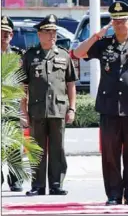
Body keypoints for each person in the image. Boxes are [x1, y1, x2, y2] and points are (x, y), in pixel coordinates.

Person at [73, 1, 128, 205]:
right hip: (109, 108)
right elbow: (78, 53)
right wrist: (97, 35)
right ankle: (113, 193)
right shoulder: (104, 44)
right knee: (110, 154)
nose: (119, 24)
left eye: (123, 20)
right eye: (115, 21)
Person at [20, 14, 78, 196]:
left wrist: (72, 108)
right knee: (37, 149)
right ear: (39, 34)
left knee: (57, 148)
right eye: (48, 32)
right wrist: (23, 111)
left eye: (54, 32)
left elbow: (71, 84)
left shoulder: (63, 55)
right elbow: (24, 86)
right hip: (36, 110)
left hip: (58, 109)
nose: (52, 35)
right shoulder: (30, 56)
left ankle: (56, 184)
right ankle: (37, 186)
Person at [1, 15, 24, 192]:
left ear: (12, 35)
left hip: (12, 106)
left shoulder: (18, 56)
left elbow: (24, 83)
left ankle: (15, 179)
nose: (4, 36)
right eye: (1, 32)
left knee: (14, 144)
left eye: (7, 33)